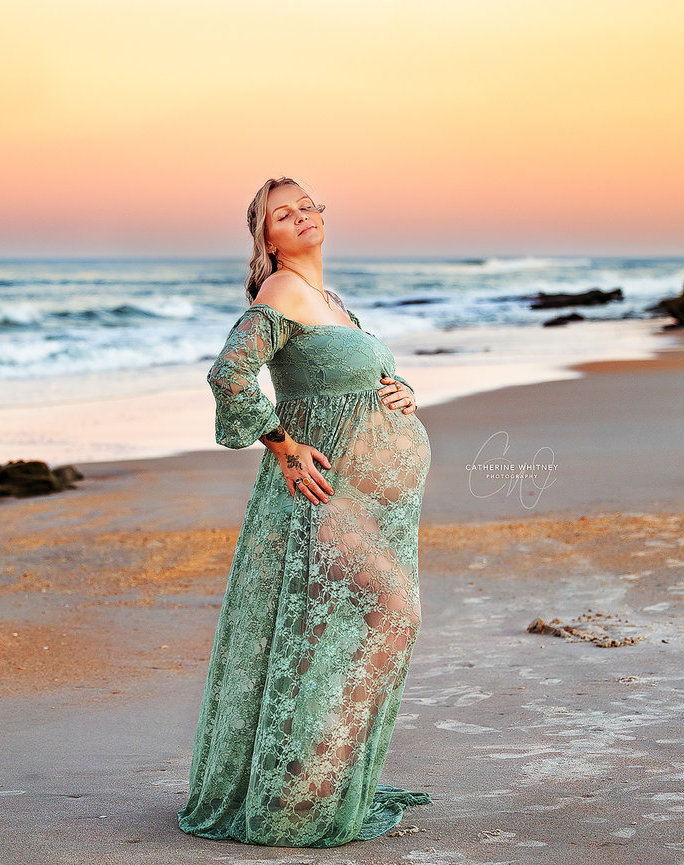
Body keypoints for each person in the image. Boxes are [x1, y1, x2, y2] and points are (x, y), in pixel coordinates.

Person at [178, 177, 432, 847]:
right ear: (267, 239)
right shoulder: (281, 290)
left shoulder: (330, 301)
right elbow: (229, 373)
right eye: (280, 214)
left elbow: (345, 374)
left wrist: (398, 391)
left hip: (373, 498)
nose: (299, 216)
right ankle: (305, 789)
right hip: (327, 492)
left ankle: (316, 778)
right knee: (391, 613)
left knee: (344, 629)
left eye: (305, 205)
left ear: (321, 216)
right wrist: (285, 447)